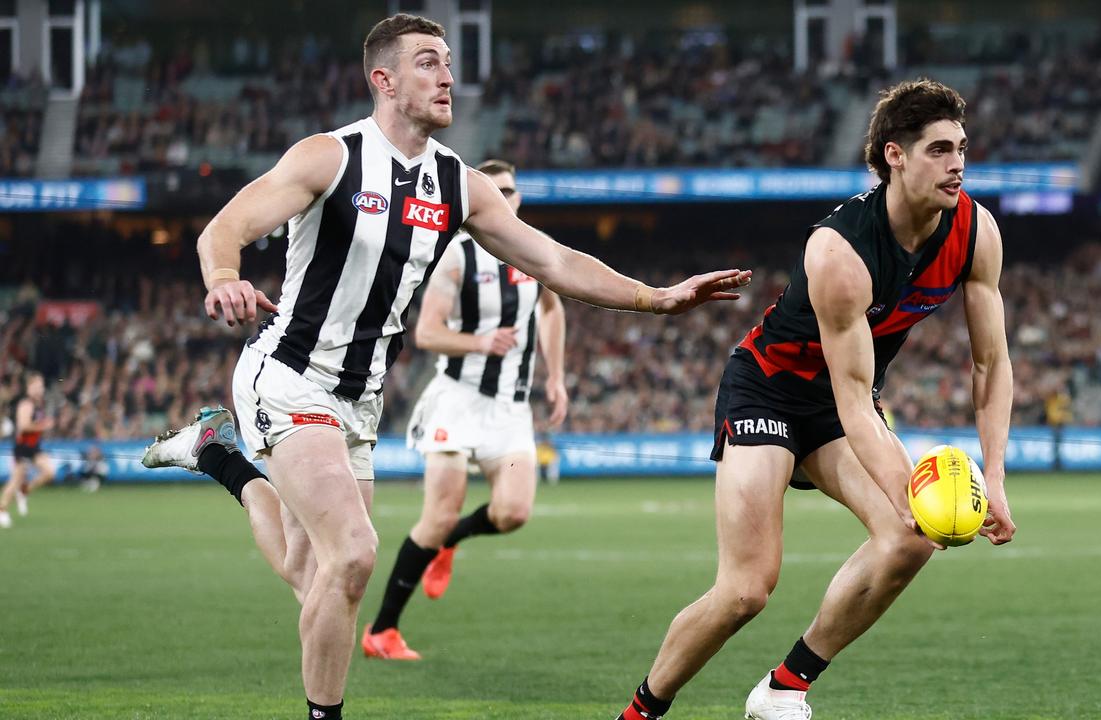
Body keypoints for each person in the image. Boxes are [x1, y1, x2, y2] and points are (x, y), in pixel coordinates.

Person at [141, 14, 749, 720]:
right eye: (429, 63)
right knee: (355, 556)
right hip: (287, 376)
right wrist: (222, 275)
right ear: (385, 80)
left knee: (319, 576)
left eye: (449, 64)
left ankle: (220, 457)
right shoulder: (329, 158)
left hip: (359, 402)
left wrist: (655, 298)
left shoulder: (458, 184)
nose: (448, 77)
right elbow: (227, 227)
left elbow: (553, 261)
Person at [615, 78, 1016, 720]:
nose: (958, 163)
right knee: (746, 589)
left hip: (836, 403)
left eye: (962, 147)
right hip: (768, 388)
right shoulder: (839, 250)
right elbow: (857, 401)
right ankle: (639, 713)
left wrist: (993, 476)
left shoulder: (976, 233)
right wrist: (906, 493)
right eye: (940, 149)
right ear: (895, 154)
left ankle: (784, 687)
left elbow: (991, 363)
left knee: (911, 541)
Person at [362, 158, 569, 660]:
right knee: (436, 514)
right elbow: (428, 332)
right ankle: (382, 631)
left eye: (511, 190)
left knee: (514, 512)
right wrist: (479, 343)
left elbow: (551, 307)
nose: (506, 197)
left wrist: (557, 376)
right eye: (495, 190)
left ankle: (451, 541)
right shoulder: (456, 256)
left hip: (510, 407)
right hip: (457, 401)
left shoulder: (533, 253)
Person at [0, 372, 56, 528]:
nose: (39, 389)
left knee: (49, 472)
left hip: (34, 447)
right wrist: (44, 425)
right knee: (15, 480)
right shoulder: (26, 404)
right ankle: (2, 509)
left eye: (41, 386)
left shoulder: (40, 404)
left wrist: (43, 425)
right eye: (36, 386)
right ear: (28, 388)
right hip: (23, 448)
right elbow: (23, 426)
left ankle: (24, 490)